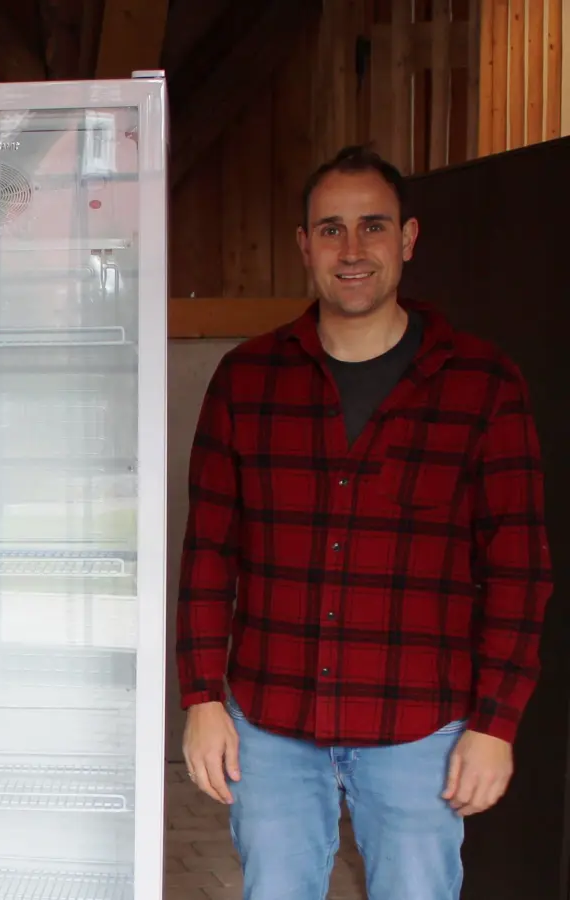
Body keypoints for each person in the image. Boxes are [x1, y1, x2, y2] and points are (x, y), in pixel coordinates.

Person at [176, 144, 552, 899]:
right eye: (331, 229)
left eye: (372, 226)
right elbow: (209, 553)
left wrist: (496, 723)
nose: (351, 250)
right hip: (272, 720)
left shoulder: (483, 384)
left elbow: (520, 569)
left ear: (407, 239)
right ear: (304, 245)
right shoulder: (246, 381)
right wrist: (202, 699)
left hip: (420, 725)